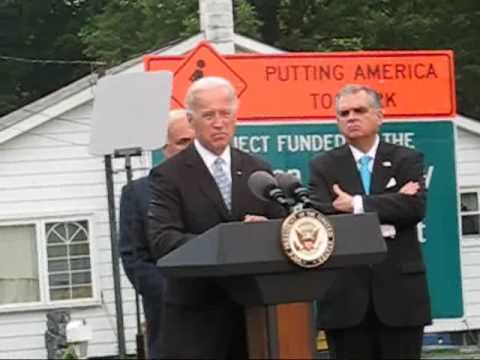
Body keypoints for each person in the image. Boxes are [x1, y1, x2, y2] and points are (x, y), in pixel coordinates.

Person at [147, 76, 285, 359]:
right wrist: (229, 242)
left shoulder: (257, 169)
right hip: (197, 317)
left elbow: (281, 229)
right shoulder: (169, 175)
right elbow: (163, 239)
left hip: (254, 314)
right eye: (208, 115)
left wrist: (264, 232)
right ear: (190, 119)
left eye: (226, 114)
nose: (219, 123)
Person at [309, 84, 431, 359]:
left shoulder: (406, 159)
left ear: (379, 116)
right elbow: (326, 217)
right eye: (344, 113)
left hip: (400, 298)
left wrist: (355, 205)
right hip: (345, 300)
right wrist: (388, 211)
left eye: (360, 110)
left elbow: (414, 207)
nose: (351, 117)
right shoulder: (323, 166)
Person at [119, 109, 195, 359]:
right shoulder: (138, 193)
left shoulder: (222, 186)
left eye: (195, 142)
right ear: (164, 147)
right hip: (168, 318)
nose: (190, 148)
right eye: (183, 142)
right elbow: (134, 258)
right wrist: (171, 293)